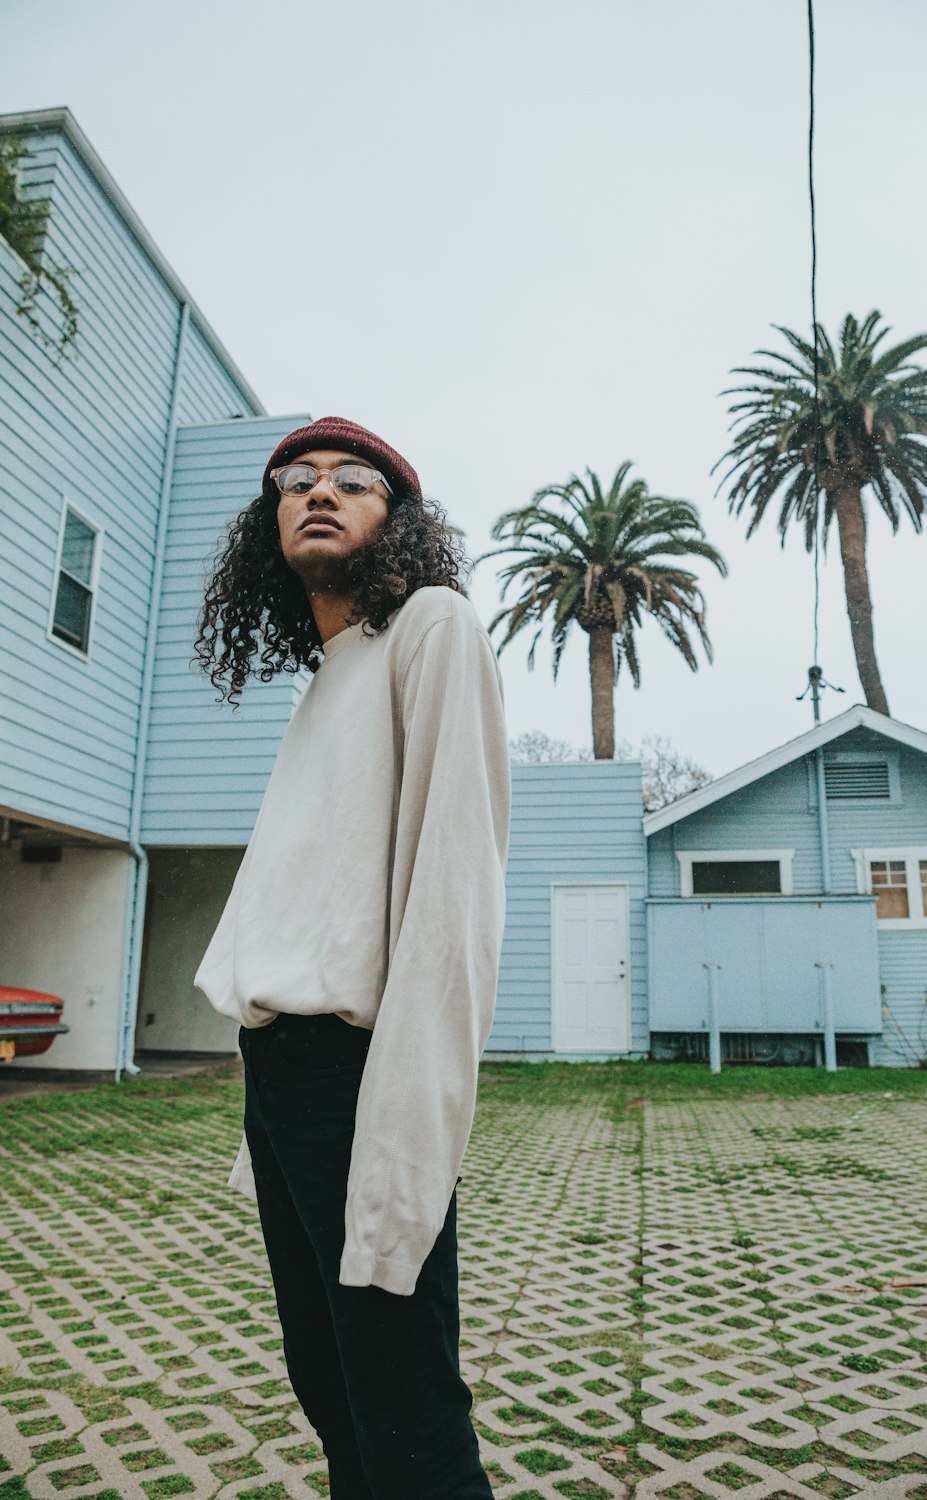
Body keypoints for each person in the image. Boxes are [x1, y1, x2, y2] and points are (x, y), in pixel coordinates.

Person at [192, 416, 510, 1499]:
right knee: (328, 1388)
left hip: (358, 1077)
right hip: (282, 1078)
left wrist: (409, 1125)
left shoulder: (430, 626)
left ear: (398, 520)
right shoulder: (326, 676)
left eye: (354, 480)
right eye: (295, 480)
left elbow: (454, 895)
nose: (318, 491)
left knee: (403, 1402)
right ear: (266, 521)